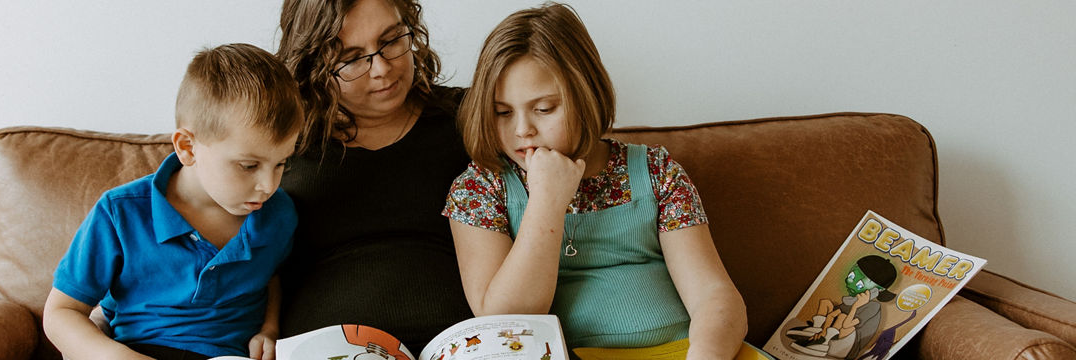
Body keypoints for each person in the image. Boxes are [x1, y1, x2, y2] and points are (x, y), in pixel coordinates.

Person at [443, 3, 748, 358]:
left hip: (682, 349)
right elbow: (507, 322)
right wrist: (547, 201)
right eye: (502, 113)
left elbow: (715, 295)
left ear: (585, 96)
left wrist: (706, 354)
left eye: (544, 109)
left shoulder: (657, 171)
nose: (523, 129)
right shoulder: (479, 189)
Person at [42, 43, 303, 360]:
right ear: (188, 148)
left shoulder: (279, 214)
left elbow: (271, 275)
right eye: (248, 166)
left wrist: (270, 329)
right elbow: (61, 311)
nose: (268, 185)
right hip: (140, 350)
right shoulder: (120, 213)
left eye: (281, 164)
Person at [274, 0, 476, 351]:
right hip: (332, 349)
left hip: (464, 344)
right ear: (313, 66)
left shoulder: (473, 120)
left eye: (392, 40)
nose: (382, 68)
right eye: (351, 58)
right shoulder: (278, 149)